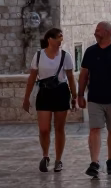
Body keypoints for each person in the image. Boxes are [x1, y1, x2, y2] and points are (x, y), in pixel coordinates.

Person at [76, 21, 111, 178]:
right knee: (94, 129)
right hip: (94, 97)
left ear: (108, 32)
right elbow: (83, 75)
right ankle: (94, 162)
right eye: (96, 30)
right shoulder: (90, 52)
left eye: (98, 30)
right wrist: (80, 95)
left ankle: (110, 160)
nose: (95, 33)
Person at [22, 27, 76, 172]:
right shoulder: (39, 56)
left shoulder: (66, 56)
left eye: (62, 37)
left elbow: (70, 78)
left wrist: (75, 96)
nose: (61, 40)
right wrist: (26, 98)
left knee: (59, 128)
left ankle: (58, 159)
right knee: (44, 129)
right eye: (58, 37)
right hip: (44, 92)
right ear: (49, 39)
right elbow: (32, 78)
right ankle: (45, 156)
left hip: (61, 91)